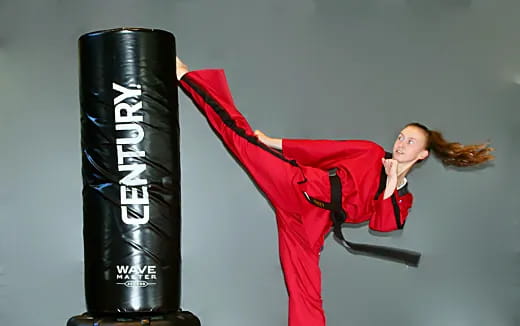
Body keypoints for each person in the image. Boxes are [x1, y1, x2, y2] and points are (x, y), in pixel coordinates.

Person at [175, 57, 494, 326]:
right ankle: (185, 75)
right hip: (298, 187)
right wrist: (273, 143)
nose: (400, 143)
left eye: (410, 142)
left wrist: (392, 183)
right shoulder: (369, 153)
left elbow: (381, 226)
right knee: (239, 136)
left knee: (305, 289)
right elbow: (323, 151)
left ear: (422, 154)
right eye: (400, 137)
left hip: (312, 225)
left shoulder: (402, 196)